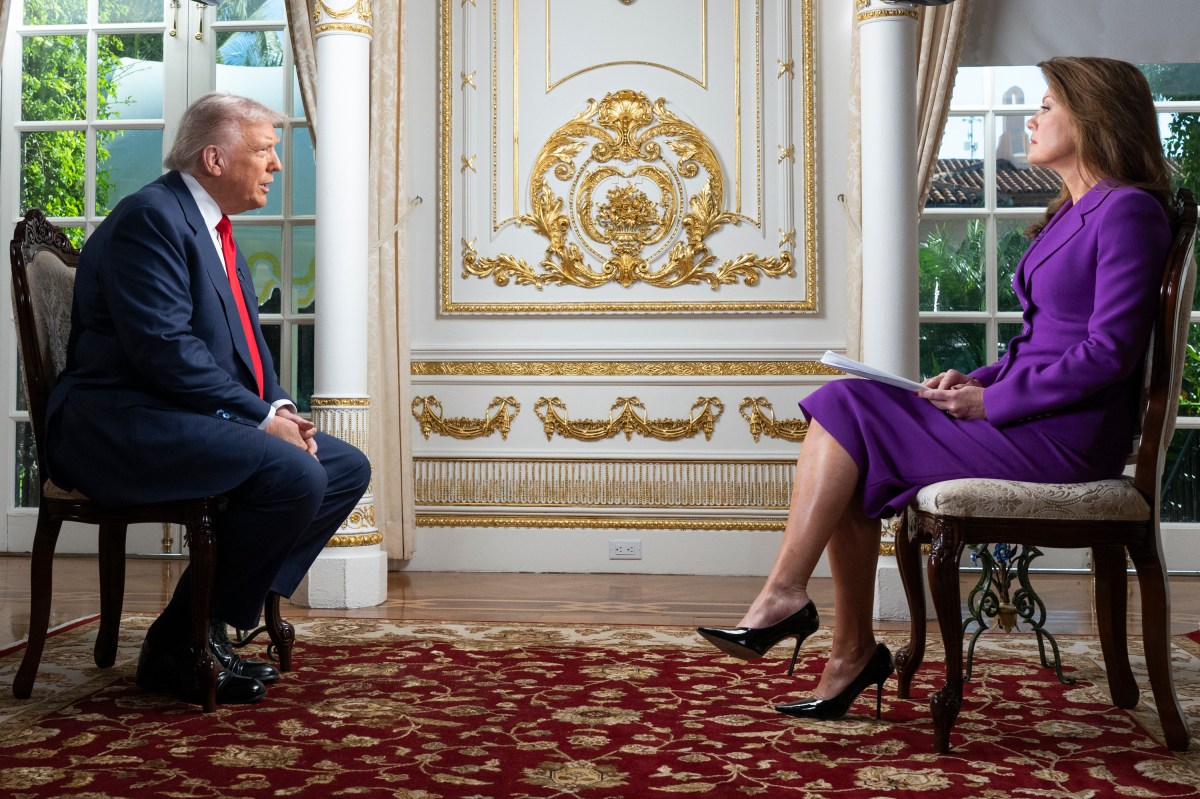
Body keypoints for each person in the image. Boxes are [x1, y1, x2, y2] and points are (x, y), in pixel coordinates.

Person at [697, 57, 1174, 721]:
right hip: (1032, 418)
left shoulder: (1128, 212)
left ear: (1091, 116)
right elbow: (1036, 344)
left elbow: (1109, 355)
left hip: (1069, 437)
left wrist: (993, 402)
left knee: (844, 407)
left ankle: (793, 604)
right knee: (850, 425)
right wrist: (971, 383)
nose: (1030, 119)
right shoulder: (1071, 210)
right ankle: (846, 651)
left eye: (1046, 105)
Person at [44, 93, 372, 705]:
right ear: (215, 157)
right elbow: (163, 350)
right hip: (118, 424)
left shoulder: (214, 228)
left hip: (174, 414)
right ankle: (183, 644)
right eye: (265, 151)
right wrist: (256, 419)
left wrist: (277, 411)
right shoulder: (152, 219)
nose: (276, 166)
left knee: (345, 466)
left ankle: (202, 626)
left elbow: (247, 352)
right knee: (295, 474)